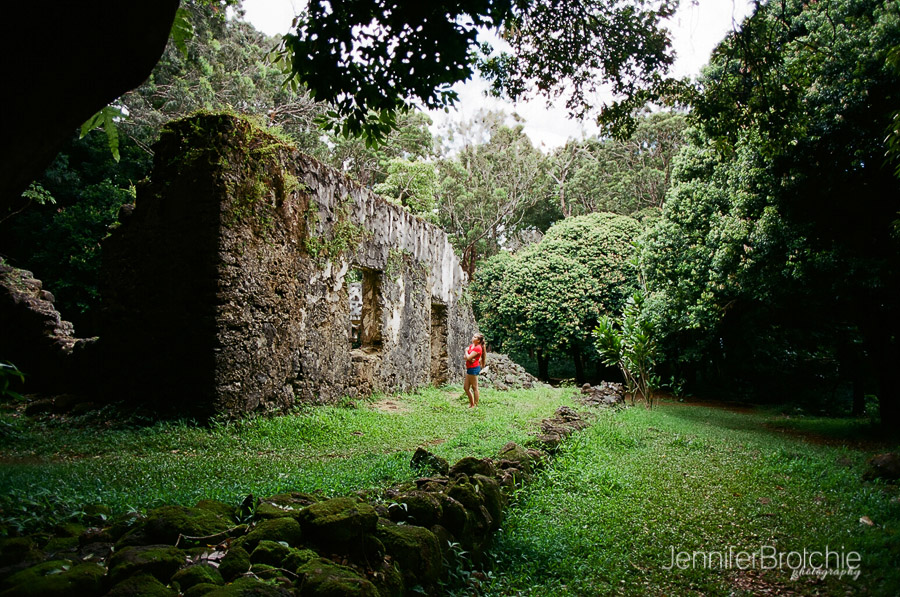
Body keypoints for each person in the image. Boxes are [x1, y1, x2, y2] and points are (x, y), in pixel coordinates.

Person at [464, 333, 486, 408]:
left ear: (478, 340)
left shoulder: (478, 348)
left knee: (474, 387)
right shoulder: (472, 346)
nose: (473, 338)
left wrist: (466, 352)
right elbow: (465, 357)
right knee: (466, 387)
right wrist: (468, 356)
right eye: (473, 336)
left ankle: (475, 405)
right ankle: (472, 403)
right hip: (469, 368)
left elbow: (469, 357)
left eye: (475, 337)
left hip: (474, 368)